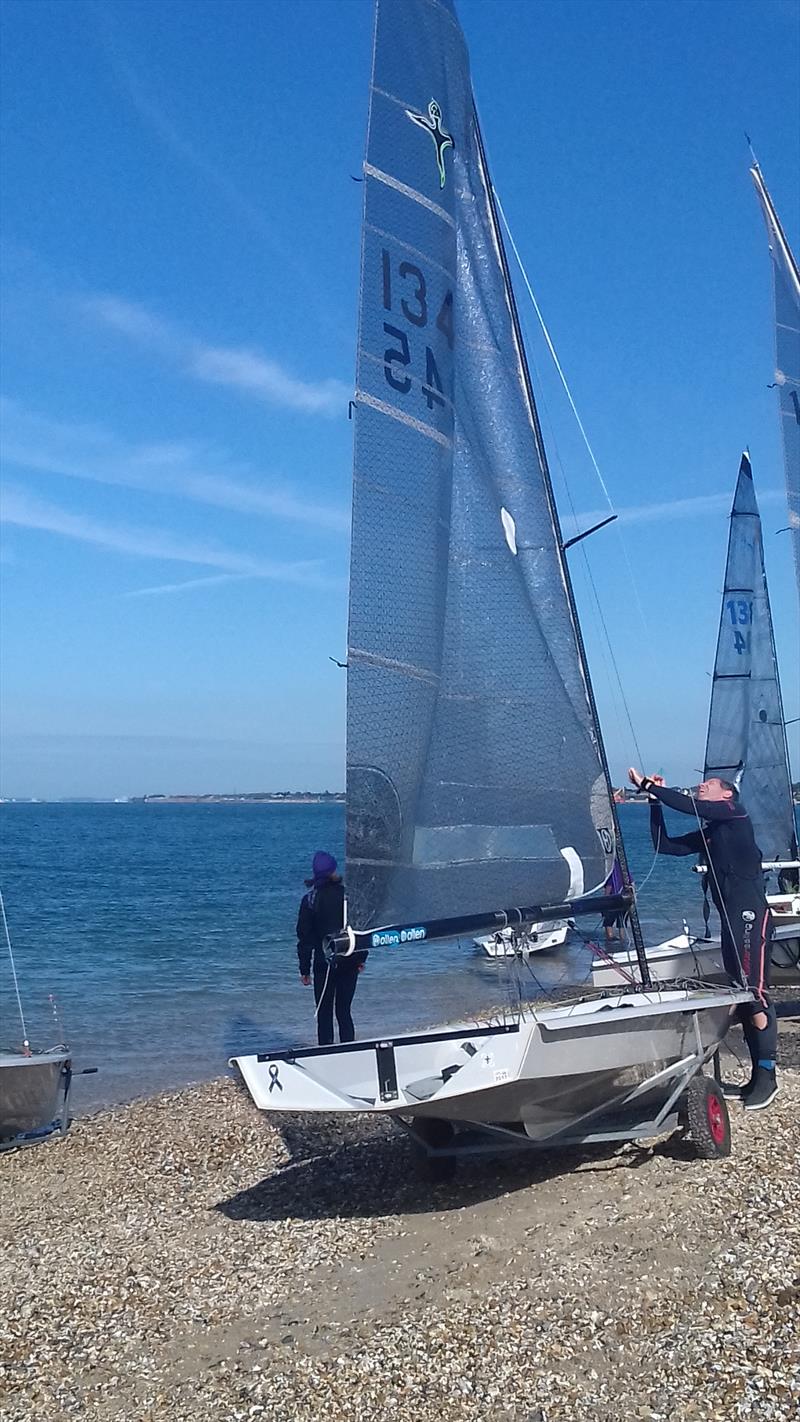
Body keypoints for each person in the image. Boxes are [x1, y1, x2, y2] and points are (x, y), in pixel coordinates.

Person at [628, 767, 779, 1110]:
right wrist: (654, 802)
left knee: (754, 994)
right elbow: (664, 846)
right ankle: (757, 1077)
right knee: (741, 995)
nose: (701, 785)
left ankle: (768, 1077)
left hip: (750, 916)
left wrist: (648, 785)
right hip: (731, 921)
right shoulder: (714, 831)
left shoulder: (734, 813)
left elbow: (691, 807)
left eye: (708, 784)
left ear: (726, 794)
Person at [296, 850, 367, 1047]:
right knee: (344, 1011)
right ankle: (349, 1050)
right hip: (349, 959)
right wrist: (361, 958)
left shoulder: (310, 900)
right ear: (333, 871)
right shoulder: (349, 896)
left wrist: (304, 969)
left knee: (324, 1013)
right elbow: (361, 930)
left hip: (323, 963)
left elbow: (305, 938)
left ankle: (326, 1054)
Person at [603, 857, 628, 944]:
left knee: (608, 922)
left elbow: (609, 886)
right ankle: (622, 939)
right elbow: (631, 883)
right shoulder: (624, 869)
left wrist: (605, 900)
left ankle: (610, 938)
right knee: (622, 922)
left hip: (613, 900)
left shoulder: (610, 871)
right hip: (624, 899)